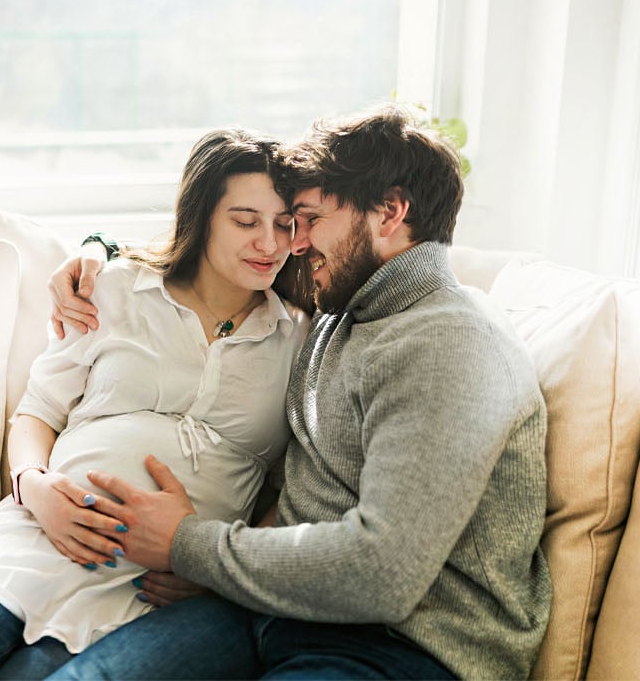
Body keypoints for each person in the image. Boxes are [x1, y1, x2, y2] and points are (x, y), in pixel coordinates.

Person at [39, 104, 550, 680]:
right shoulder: (343, 312)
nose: (294, 243)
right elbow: (200, 257)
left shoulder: (450, 345)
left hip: (398, 647)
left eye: (309, 219)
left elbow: (383, 573)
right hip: (267, 612)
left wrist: (189, 546)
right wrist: (95, 252)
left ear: (390, 213)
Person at [0, 128, 312, 679]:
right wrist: (33, 486)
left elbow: (293, 485)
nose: (269, 243)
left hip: (141, 591)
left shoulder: (300, 339)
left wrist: (220, 563)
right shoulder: (117, 288)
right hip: (35, 541)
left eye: (284, 224)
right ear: (202, 217)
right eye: (245, 221)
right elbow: (38, 410)